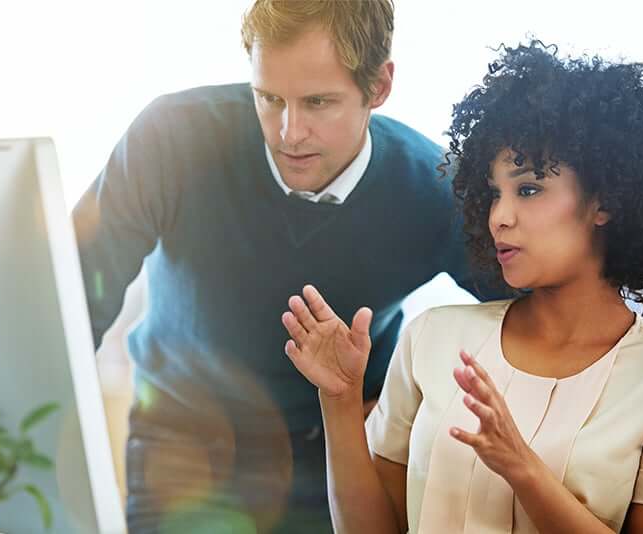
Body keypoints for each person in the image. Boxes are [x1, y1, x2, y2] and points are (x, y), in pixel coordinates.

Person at [73, 1, 501, 532]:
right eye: (269, 98)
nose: (288, 132)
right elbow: (70, 301)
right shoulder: (170, 139)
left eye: (319, 102)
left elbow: (541, 307)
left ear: (379, 87)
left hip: (335, 458)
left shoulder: (435, 189)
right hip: (181, 446)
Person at [283, 41, 643, 533]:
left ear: (607, 201)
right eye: (494, 193)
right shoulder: (435, 336)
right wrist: (341, 403)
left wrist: (521, 467)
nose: (500, 217)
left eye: (528, 189)